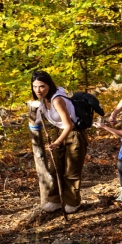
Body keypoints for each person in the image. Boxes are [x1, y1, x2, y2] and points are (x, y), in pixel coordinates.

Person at [31, 71, 87, 213]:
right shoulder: (44, 99)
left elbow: (68, 125)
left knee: (71, 171)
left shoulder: (56, 99)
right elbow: (37, 118)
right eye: (35, 86)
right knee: (55, 169)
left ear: (49, 85)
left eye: (42, 86)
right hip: (59, 134)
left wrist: (56, 142)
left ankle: (73, 202)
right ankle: (55, 200)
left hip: (73, 134)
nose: (38, 90)